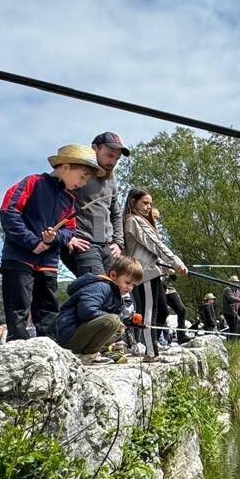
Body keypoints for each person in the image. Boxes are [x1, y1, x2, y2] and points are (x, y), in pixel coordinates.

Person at [0, 146, 95, 342]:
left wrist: (55, 238)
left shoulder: (68, 199)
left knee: (49, 310)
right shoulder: (33, 182)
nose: (83, 183)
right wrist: (32, 242)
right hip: (19, 259)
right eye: (82, 176)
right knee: (18, 308)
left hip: (49, 262)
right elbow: (9, 211)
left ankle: (49, 349)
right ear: (66, 166)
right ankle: (18, 348)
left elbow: (70, 230)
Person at [122, 188, 187, 358]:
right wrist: (176, 261)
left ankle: (152, 345)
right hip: (144, 275)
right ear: (132, 202)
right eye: (145, 203)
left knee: (162, 312)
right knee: (148, 313)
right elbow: (155, 244)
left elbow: (152, 251)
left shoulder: (140, 220)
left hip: (153, 272)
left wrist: (168, 267)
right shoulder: (134, 221)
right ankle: (151, 352)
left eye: (150, 204)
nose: (148, 207)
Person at [64, 132, 130, 277]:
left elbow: (116, 213)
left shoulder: (111, 181)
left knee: (112, 292)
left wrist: (118, 242)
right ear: (95, 149)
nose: (113, 162)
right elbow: (56, 204)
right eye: (109, 155)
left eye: (117, 158)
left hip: (106, 246)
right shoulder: (77, 172)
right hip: (84, 243)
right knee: (96, 288)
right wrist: (67, 237)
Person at [55, 256, 144, 358]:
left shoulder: (117, 295)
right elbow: (87, 311)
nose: (129, 288)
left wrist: (130, 322)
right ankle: (88, 354)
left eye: (133, 285)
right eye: (127, 282)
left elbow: (118, 317)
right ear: (113, 275)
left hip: (80, 336)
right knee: (112, 321)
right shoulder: (101, 287)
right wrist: (116, 320)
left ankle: (93, 352)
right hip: (69, 337)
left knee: (119, 326)